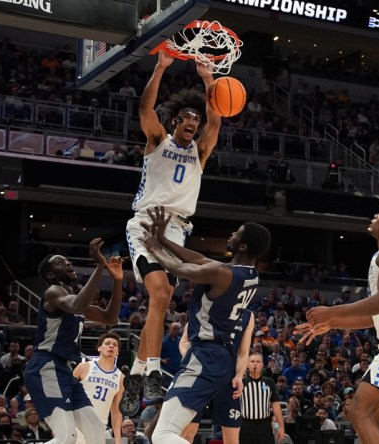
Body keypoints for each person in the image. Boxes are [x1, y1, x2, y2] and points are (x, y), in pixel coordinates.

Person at [120, 49, 222, 415]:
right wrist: (161, 68)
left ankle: (135, 377)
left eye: (197, 118)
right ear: (176, 121)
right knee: (160, 293)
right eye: (187, 118)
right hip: (148, 223)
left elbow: (216, 120)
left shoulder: (201, 151)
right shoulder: (158, 141)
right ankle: (150, 370)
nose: (194, 122)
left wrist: (209, 80)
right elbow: (145, 110)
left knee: (161, 302)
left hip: (177, 231)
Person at [295, 202, 379, 444]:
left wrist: (330, 311)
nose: (375, 216)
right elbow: (376, 315)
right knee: (369, 418)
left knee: (358, 411)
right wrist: (334, 322)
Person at [141, 206, 270, 444]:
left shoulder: (223, 274)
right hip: (219, 359)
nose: (231, 235)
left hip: (206, 356)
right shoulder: (248, 274)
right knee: (155, 432)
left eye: (237, 233)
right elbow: (199, 259)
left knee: (162, 435)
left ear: (243, 246)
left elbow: (178, 268)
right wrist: (163, 240)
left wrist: (152, 247)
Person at [24, 238, 124, 444]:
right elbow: (78, 306)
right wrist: (99, 265)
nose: (68, 263)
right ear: (51, 274)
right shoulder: (53, 292)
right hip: (46, 366)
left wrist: (117, 280)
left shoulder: (73, 299)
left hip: (65, 369)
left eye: (68, 260)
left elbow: (110, 318)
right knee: (66, 437)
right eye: (61, 262)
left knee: (97, 430)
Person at [73, 332, 125, 444]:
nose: (111, 346)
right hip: (76, 427)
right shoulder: (84, 367)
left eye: (115, 345)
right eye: (107, 343)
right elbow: (66, 394)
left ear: (118, 352)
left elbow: (116, 411)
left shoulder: (121, 378)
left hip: (98, 430)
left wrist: (117, 439)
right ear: (99, 348)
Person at [240, 353, 286, 444]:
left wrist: (281, 427)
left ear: (262, 365)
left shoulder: (269, 382)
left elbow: (276, 405)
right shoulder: (241, 382)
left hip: (264, 425)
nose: (255, 364)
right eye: (252, 361)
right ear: (247, 365)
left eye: (258, 362)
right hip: (245, 425)